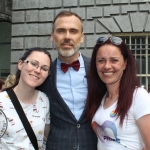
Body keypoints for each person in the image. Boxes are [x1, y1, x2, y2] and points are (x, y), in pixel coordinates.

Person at [38, 10, 97, 150]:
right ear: (52, 36)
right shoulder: (43, 74)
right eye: (61, 31)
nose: (67, 36)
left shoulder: (97, 69)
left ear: (82, 37)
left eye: (73, 31)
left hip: (93, 145)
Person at [86, 36, 150, 150]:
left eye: (114, 60)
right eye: (101, 60)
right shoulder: (103, 97)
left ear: (125, 64)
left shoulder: (138, 96)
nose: (107, 66)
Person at [0, 47, 51, 150]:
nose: (37, 70)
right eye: (33, 63)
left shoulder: (44, 100)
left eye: (44, 68)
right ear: (20, 64)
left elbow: (47, 136)